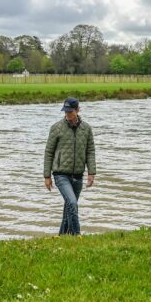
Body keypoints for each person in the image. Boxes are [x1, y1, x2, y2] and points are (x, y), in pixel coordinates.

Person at [44, 97, 96, 236]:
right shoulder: (56, 128)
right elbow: (49, 152)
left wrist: (91, 173)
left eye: (70, 111)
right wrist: (47, 176)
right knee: (72, 203)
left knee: (69, 207)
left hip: (78, 175)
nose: (67, 114)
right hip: (61, 174)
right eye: (65, 111)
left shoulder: (86, 129)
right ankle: (77, 234)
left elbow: (90, 151)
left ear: (78, 110)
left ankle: (62, 236)